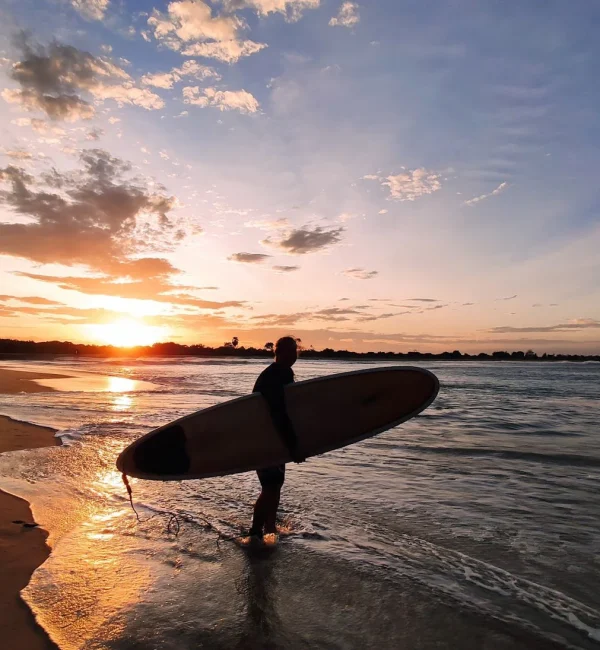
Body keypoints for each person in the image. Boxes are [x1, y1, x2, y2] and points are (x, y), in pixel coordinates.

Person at [249, 336, 305, 538]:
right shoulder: (276, 374)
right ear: (278, 352)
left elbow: (289, 409)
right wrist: (293, 446)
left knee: (275, 484)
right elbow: (278, 413)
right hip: (265, 439)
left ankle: (269, 528)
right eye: (289, 351)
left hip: (273, 439)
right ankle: (255, 532)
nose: (293, 355)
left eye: (295, 351)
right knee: (270, 485)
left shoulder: (282, 372)